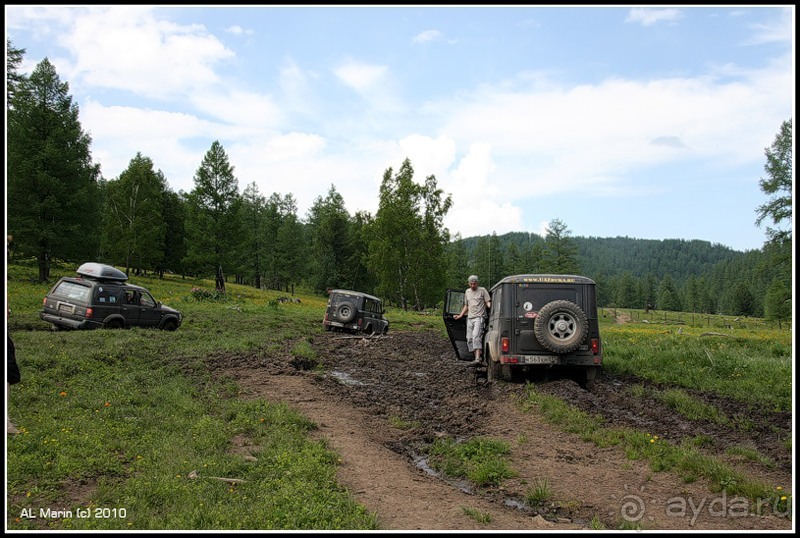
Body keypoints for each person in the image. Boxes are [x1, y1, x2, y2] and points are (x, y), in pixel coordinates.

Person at [453, 275, 491, 367]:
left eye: (474, 284)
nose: (473, 285)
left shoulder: (482, 290)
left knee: (475, 336)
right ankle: (476, 357)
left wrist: (491, 307)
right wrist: (460, 315)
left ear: (477, 283)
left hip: (479, 317)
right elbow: (466, 305)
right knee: (469, 338)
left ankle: (478, 358)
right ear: (468, 283)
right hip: (470, 318)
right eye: (471, 284)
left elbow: (488, 302)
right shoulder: (467, 292)